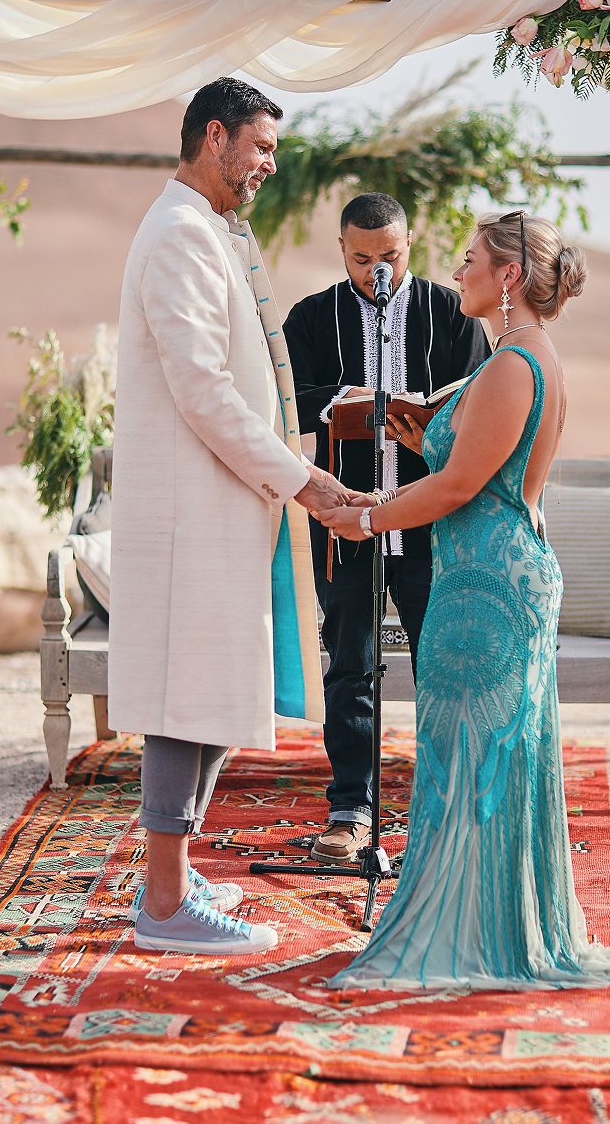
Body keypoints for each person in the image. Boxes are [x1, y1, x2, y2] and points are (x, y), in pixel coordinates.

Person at [316, 212, 610, 989]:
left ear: (509, 278)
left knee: (473, 758)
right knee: (486, 755)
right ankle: (493, 921)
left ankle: (474, 934)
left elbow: (460, 488)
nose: (457, 274)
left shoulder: (515, 366)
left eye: (469, 262)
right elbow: (475, 464)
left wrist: (362, 517)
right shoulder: (518, 360)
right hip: (490, 574)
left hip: (487, 586)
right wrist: (419, 433)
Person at [108, 78, 351, 957]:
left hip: (218, 507)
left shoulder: (208, 232)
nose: (267, 167)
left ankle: (168, 880)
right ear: (215, 137)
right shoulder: (178, 234)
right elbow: (203, 390)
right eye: (260, 148)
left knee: (209, 689)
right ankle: (165, 908)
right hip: (188, 511)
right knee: (186, 695)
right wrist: (303, 482)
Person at [285, 192, 491, 864]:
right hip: (344, 521)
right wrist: (346, 401)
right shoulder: (311, 318)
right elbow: (284, 399)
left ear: (413, 243)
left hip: (432, 521)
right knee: (349, 666)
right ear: (341, 250)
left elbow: (481, 398)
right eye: (363, 258)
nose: (378, 270)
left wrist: (429, 421)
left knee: (444, 663)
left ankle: (450, 807)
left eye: (391, 257)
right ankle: (351, 812)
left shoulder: (450, 313)